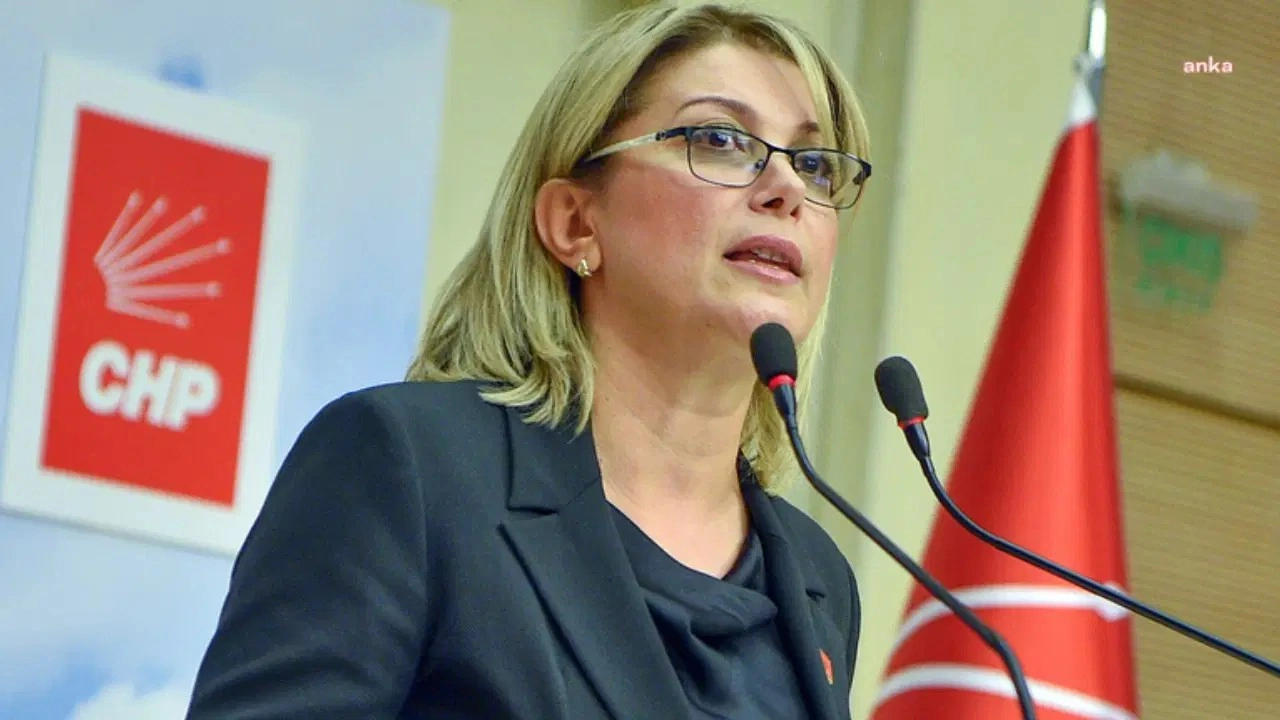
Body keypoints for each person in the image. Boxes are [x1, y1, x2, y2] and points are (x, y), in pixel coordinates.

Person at [185, 2, 873, 718]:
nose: (787, 189)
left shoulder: (817, 577)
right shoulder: (409, 469)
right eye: (720, 139)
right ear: (576, 223)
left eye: (815, 165)